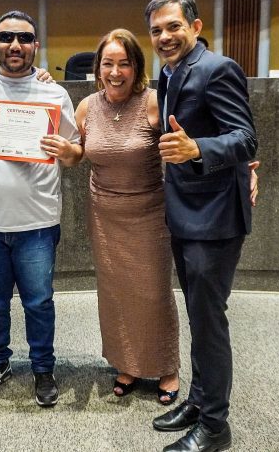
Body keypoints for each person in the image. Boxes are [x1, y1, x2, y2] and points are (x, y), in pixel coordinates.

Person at [0, 10, 82, 408]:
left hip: (38, 222)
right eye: (6, 38)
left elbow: (76, 152)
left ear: (35, 47)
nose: (15, 46)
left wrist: (67, 152)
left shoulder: (53, 94)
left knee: (39, 303)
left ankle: (43, 368)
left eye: (24, 39)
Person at [146, 0, 258, 452]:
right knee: (198, 314)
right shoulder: (169, 73)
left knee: (209, 320)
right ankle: (199, 399)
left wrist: (199, 150)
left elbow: (246, 139)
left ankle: (216, 426)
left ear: (195, 26)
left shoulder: (216, 68)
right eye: (156, 30)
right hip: (187, 211)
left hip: (215, 217)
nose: (165, 36)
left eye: (173, 26)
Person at [74, 29, 181, 405]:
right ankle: (128, 363)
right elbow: (74, 152)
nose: (115, 71)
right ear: (97, 67)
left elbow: (187, 144)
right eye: (108, 63)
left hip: (149, 213)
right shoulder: (87, 106)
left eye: (124, 63)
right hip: (104, 214)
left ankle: (167, 366)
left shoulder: (154, 102)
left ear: (137, 67)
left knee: (153, 292)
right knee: (116, 293)